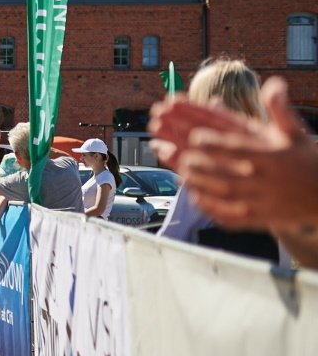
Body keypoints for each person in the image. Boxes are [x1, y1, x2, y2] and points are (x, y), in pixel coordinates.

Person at [152, 59, 288, 264]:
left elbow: (168, 243)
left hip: (219, 288)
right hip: (273, 290)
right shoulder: (276, 167)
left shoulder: (208, 172)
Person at [0, 123, 85, 212]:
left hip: (47, 238)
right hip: (79, 236)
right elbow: (70, 159)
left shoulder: (24, 181)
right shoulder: (68, 166)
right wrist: (42, 148)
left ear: (17, 155)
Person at [75, 138, 120, 220]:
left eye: (84, 155)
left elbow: (99, 209)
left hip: (94, 227)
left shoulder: (106, 177)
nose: (81, 158)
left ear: (96, 156)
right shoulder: (98, 176)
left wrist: (75, 217)